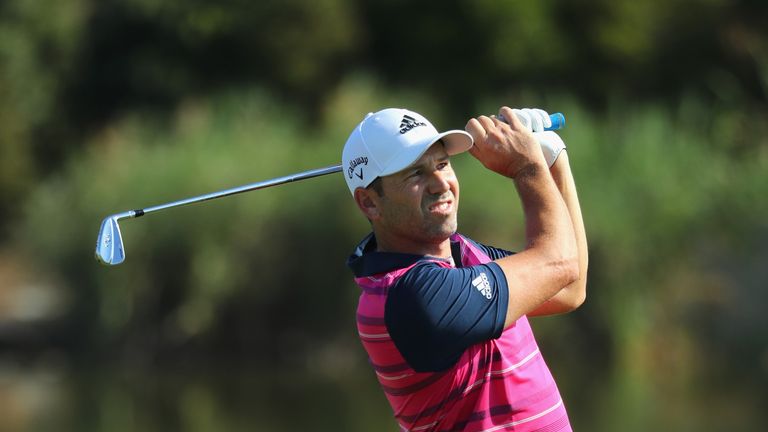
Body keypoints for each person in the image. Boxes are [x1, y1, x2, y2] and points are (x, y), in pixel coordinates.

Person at [342, 106, 588, 432]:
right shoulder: (411, 296)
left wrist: (553, 159)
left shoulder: (462, 255)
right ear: (370, 202)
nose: (440, 183)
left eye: (442, 164)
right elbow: (559, 262)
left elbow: (568, 289)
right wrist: (527, 166)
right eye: (415, 173)